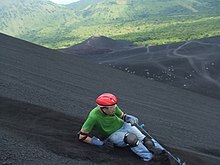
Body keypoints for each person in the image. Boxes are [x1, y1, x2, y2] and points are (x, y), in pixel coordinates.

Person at [78, 93, 165, 162]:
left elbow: (122, 116)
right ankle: (148, 157)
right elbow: (82, 136)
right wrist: (100, 143)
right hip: (112, 134)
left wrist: (129, 118)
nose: (114, 109)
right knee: (132, 139)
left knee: (146, 140)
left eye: (115, 106)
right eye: (111, 108)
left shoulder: (113, 107)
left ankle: (163, 151)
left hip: (124, 125)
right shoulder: (93, 117)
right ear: (103, 109)